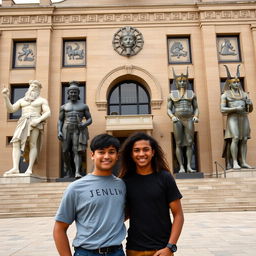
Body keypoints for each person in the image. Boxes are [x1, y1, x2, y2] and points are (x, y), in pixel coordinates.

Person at [53, 133, 126, 256]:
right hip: (86, 252)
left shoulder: (122, 185)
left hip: (117, 252)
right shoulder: (76, 188)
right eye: (101, 152)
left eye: (111, 152)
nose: (106, 156)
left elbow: (120, 214)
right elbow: (59, 229)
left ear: (117, 156)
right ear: (92, 155)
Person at [119, 132, 184, 256]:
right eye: (136, 150)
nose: (141, 154)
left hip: (162, 249)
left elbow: (178, 215)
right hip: (134, 249)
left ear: (153, 152)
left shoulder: (165, 177)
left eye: (146, 150)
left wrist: (170, 247)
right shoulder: (125, 181)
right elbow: (124, 214)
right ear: (131, 154)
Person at [2, 80, 51, 176]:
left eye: (35, 87)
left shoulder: (42, 100)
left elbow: (48, 112)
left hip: (34, 122)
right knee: (16, 142)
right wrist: (5, 97)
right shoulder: (22, 100)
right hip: (22, 121)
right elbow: (11, 109)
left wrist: (38, 120)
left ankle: (29, 168)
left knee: (33, 144)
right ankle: (15, 167)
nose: (33, 88)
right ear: (29, 88)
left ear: (39, 90)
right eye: (32, 86)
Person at [58, 81, 92, 178]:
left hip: (78, 129)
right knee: (65, 151)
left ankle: (77, 172)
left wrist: (84, 124)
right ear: (68, 93)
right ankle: (69, 171)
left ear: (78, 93)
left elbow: (90, 119)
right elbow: (60, 120)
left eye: (75, 92)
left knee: (77, 150)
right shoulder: (64, 107)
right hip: (66, 128)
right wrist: (59, 131)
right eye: (71, 92)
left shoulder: (83, 106)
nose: (73, 94)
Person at [221, 65, 253, 169]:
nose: (236, 84)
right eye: (234, 82)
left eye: (238, 82)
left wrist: (250, 104)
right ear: (230, 84)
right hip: (233, 118)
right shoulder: (225, 95)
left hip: (244, 117)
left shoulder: (244, 94)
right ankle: (235, 162)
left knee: (244, 139)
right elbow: (222, 109)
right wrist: (235, 109)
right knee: (235, 138)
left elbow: (250, 110)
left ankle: (243, 161)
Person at [167, 67, 199, 173]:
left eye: (184, 81)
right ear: (176, 82)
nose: (182, 82)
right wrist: (172, 116)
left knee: (190, 142)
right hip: (178, 119)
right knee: (178, 143)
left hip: (189, 118)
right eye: (180, 81)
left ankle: (189, 166)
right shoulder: (172, 95)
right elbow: (168, 109)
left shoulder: (192, 94)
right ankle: (181, 167)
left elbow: (196, 108)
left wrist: (196, 116)